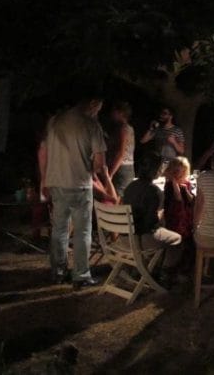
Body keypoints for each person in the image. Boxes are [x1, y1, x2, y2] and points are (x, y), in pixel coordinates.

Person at [38, 94, 106, 289]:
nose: (98, 112)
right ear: (92, 103)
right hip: (80, 185)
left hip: (56, 183)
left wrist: (44, 179)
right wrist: (89, 170)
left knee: (59, 229)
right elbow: (100, 162)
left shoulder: (54, 121)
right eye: (98, 108)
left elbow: (43, 151)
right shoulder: (91, 125)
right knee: (82, 231)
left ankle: (58, 272)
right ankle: (81, 274)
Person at [123, 152, 182, 284]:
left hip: (124, 237)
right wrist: (160, 215)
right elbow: (151, 224)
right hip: (140, 239)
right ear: (156, 170)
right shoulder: (154, 191)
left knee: (162, 232)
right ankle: (164, 273)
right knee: (177, 239)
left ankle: (149, 268)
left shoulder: (130, 187)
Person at [163, 156, 195, 273]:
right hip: (174, 216)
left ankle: (186, 264)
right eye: (176, 171)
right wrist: (174, 183)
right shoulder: (169, 185)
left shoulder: (187, 184)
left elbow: (192, 200)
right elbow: (178, 200)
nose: (179, 174)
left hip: (186, 215)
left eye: (182, 172)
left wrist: (186, 190)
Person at [107, 101, 135, 196]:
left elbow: (121, 153)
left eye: (114, 111)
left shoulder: (123, 128)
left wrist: (110, 174)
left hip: (121, 168)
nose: (111, 113)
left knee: (116, 198)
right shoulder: (128, 128)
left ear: (121, 113)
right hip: (125, 168)